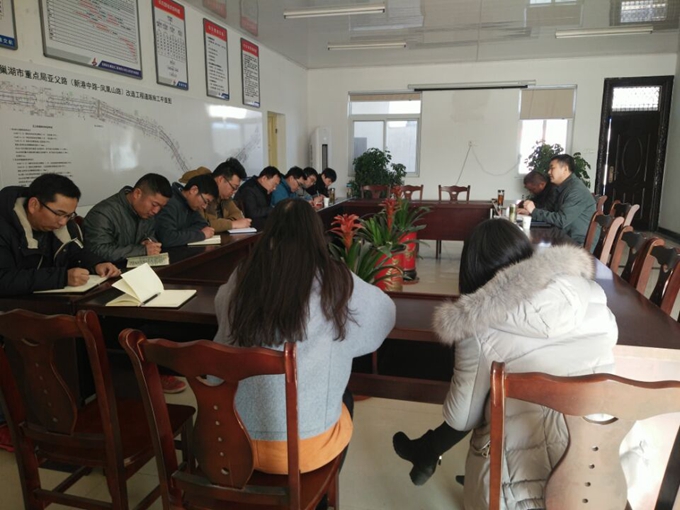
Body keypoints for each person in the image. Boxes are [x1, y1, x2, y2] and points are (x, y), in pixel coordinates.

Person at [392, 218, 618, 510]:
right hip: (608, 463)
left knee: (485, 400)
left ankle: (430, 454)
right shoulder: (590, 293)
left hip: (525, 481)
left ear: (471, 270)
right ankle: (428, 453)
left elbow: (462, 418)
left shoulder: (479, 328)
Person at [213, 199, 395, 481]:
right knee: (345, 397)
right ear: (316, 235)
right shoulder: (335, 280)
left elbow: (221, 313)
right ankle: (321, 493)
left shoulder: (243, 275)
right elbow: (384, 316)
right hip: (305, 451)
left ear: (269, 234)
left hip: (233, 443)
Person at [0, 173, 120, 296]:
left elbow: (76, 252)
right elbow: (4, 279)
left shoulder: (64, 225)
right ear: (33, 205)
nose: (63, 222)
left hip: (53, 300)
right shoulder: (4, 226)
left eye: (69, 215)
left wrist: (97, 264)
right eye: (59, 214)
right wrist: (62, 278)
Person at [82, 173, 172, 264]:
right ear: (137, 194)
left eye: (161, 207)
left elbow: (150, 234)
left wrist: (149, 242)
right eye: (154, 204)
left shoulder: (146, 212)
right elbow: (99, 251)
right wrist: (142, 250)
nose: (156, 211)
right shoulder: (102, 213)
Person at [522, 154, 596, 244]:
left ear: (565, 169)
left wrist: (534, 211)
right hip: (564, 235)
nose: (549, 172)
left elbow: (561, 220)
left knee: (531, 244)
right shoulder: (563, 187)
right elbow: (551, 210)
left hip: (578, 241)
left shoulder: (576, 190)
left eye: (552, 168)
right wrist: (530, 212)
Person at [178, 158, 252, 233]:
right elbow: (202, 225)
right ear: (221, 179)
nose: (234, 192)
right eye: (233, 187)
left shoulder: (224, 196)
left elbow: (238, 215)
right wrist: (232, 224)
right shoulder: (201, 191)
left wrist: (222, 224)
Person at [154, 174, 218, 248]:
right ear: (194, 190)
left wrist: (180, 234)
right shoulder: (169, 202)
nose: (205, 206)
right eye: (205, 201)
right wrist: (201, 235)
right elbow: (167, 238)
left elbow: (203, 225)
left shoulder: (190, 204)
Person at [234, 166, 281, 230]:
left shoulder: (265, 189)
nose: (275, 188)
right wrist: (271, 209)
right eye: (274, 184)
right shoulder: (249, 188)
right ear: (264, 178)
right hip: (249, 224)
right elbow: (252, 213)